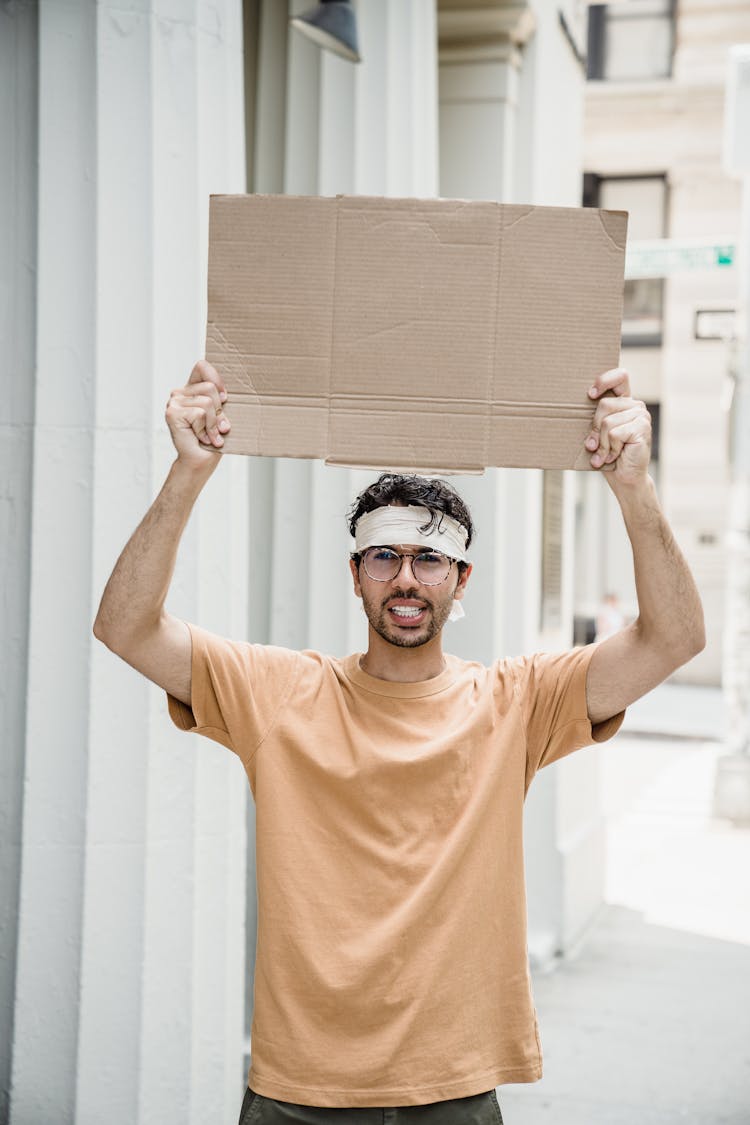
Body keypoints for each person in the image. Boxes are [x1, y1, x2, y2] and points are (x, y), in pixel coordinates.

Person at [94, 361, 705, 1125]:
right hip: (301, 1089)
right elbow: (125, 626)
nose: (406, 578)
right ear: (355, 576)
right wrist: (188, 474)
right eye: (384, 556)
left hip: (453, 1086)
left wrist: (634, 487)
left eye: (430, 559)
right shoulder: (280, 691)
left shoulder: (515, 702)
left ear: (461, 578)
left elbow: (674, 636)